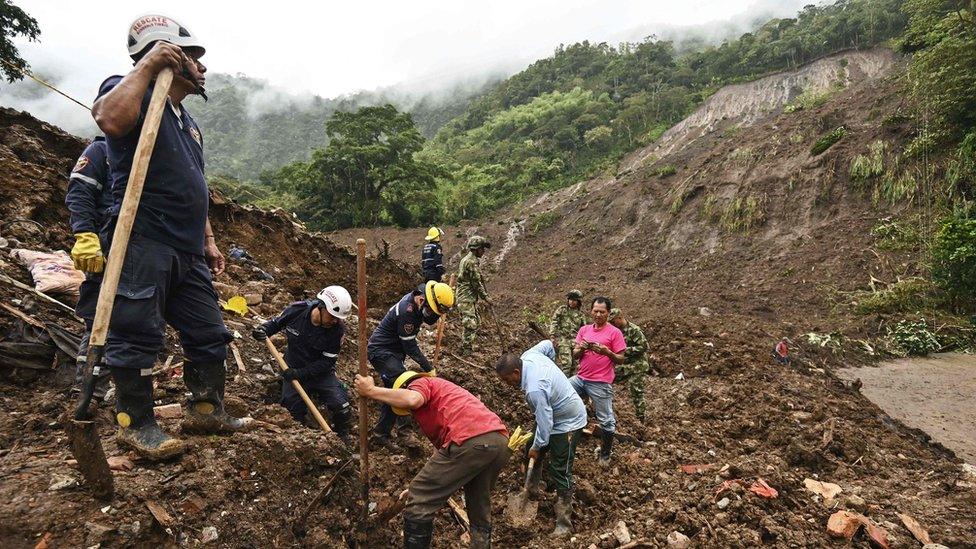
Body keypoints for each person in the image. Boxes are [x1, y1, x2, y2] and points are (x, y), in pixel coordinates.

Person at [91, 15, 247, 460]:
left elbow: (193, 182)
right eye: (194, 58)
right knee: (137, 332)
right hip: (143, 237)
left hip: (187, 247)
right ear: (170, 56)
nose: (203, 68)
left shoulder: (188, 122)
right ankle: (135, 425)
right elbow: (108, 119)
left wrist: (210, 239)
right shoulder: (130, 90)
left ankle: (204, 409)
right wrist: (146, 69)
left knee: (209, 332)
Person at [354, 370, 509, 549]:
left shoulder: (422, 383)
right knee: (478, 503)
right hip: (498, 442)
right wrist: (420, 485)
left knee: (419, 500)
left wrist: (371, 391)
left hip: (470, 441)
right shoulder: (449, 397)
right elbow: (444, 458)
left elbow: (413, 399)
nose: (411, 412)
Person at [495, 340, 586, 536]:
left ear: (517, 373)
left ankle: (564, 523)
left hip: (568, 421)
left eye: (508, 380)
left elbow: (545, 426)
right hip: (551, 414)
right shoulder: (529, 355)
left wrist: (538, 446)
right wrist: (553, 371)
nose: (508, 385)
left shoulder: (534, 389)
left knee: (560, 468)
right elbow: (547, 344)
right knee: (530, 449)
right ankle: (531, 492)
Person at [252, 286, 354, 444]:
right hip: (292, 368)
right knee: (292, 411)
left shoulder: (337, 330)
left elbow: (327, 362)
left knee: (342, 406)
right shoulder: (297, 311)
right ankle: (305, 439)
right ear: (321, 307)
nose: (335, 321)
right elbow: (275, 324)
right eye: (332, 316)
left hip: (320, 373)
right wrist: (263, 330)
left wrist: (300, 374)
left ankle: (342, 437)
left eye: (338, 318)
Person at [366, 281, 454, 447]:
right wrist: (429, 368)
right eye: (429, 310)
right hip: (381, 351)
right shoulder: (407, 312)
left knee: (392, 392)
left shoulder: (419, 299)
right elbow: (410, 346)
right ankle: (405, 433)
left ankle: (380, 434)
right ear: (422, 301)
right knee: (403, 386)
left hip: (394, 353)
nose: (430, 315)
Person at [66, 136, 113, 399]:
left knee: (132, 319)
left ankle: (118, 384)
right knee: (100, 318)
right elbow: (80, 193)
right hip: (106, 248)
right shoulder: (102, 150)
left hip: (142, 251)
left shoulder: (156, 154)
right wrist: (85, 234)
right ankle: (89, 389)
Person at [571, 297, 626, 467]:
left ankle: (605, 453)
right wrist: (582, 348)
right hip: (581, 378)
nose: (598, 314)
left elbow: (621, 359)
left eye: (602, 311)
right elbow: (575, 354)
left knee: (606, 419)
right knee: (560, 393)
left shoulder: (614, 333)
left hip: (600, 382)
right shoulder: (584, 330)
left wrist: (607, 352)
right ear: (591, 311)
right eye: (595, 311)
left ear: (608, 313)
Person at [609, 308, 650, 422]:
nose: (612, 324)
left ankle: (641, 418)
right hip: (623, 365)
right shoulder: (615, 331)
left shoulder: (634, 330)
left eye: (613, 321)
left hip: (637, 366)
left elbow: (644, 347)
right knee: (606, 380)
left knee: (636, 391)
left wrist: (624, 350)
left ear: (619, 318)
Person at [455, 235, 491, 356]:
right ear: (476, 249)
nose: (484, 251)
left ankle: (466, 346)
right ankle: (466, 350)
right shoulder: (470, 262)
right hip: (465, 298)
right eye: (482, 249)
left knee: (476, 321)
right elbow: (476, 283)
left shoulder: (469, 260)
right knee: (471, 324)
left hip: (468, 297)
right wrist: (486, 297)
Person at [548, 289, 586, 375]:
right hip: (563, 339)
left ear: (578, 301)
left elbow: (584, 329)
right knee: (566, 364)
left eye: (574, 300)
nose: (572, 302)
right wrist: (552, 336)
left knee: (575, 365)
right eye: (570, 299)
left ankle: (572, 385)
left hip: (576, 341)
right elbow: (554, 322)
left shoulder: (581, 314)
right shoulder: (562, 310)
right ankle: (562, 384)